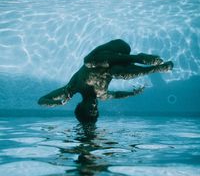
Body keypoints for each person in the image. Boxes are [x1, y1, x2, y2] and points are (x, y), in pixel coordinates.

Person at [38, 39, 173, 123]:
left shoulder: (72, 88)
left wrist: (58, 102)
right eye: (96, 110)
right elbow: (118, 95)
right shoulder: (102, 95)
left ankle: (137, 58)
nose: (94, 107)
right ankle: (156, 69)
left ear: (80, 107)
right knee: (117, 74)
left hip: (117, 47)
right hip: (120, 62)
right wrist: (133, 93)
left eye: (90, 110)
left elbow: (42, 100)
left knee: (88, 62)